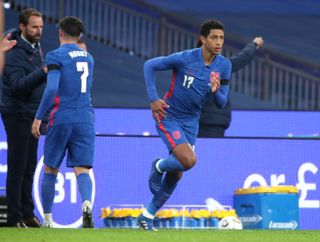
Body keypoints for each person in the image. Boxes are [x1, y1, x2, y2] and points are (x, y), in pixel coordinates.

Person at [137, 19, 231, 230]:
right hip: (168, 115)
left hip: (191, 122)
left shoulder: (224, 65)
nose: (218, 42)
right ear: (203, 39)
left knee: (178, 171)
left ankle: (147, 215)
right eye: (214, 37)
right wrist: (153, 98)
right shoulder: (185, 58)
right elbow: (149, 65)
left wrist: (216, 92)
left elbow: (223, 102)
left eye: (222, 38)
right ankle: (159, 165)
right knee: (188, 160)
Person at [31, 16, 95, 228]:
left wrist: (39, 117)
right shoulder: (88, 58)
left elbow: (51, 89)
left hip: (62, 117)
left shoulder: (55, 55)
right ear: (80, 36)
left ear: (60, 32)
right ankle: (86, 204)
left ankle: (47, 220)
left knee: (50, 168)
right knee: (82, 169)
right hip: (85, 118)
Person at [0, 8, 47, 228]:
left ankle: (28, 214)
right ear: (22, 27)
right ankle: (14, 217)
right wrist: (43, 72)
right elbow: (18, 87)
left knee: (29, 165)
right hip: (17, 113)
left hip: (32, 113)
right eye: (34, 27)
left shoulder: (35, 48)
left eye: (41, 27)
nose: (39, 31)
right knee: (18, 166)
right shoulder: (14, 51)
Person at [198, 37, 264, 137]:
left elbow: (242, 57)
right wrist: (254, 45)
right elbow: (242, 57)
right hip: (212, 122)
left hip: (206, 121)